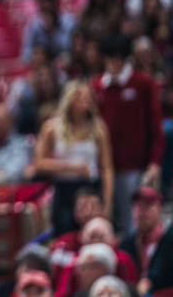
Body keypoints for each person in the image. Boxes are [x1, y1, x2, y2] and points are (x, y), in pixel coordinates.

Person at [92, 35, 163, 235]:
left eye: (117, 60)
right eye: (109, 60)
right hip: (104, 168)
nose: (113, 64)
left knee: (134, 223)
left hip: (135, 166)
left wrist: (155, 162)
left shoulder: (143, 83)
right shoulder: (97, 86)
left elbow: (155, 127)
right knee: (107, 221)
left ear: (125, 60)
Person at [33, 82, 114, 236]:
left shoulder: (98, 128)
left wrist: (108, 203)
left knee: (92, 233)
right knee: (65, 234)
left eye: (87, 97)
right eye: (79, 97)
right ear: (69, 100)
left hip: (90, 188)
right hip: (64, 189)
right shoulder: (51, 128)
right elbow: (40, 164)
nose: (84, 102)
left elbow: (108, 167)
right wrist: (72, 167)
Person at [119, 187, 173, 295]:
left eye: (147, 206)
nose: (141, 212)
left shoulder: (170, 239)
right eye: (137, 206)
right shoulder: (126, 244)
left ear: (160, 209)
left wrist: (149, 282)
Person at [48, 188, 106, 281]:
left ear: (103, 210)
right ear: (75, 212)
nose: (88, 212)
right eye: (82, 207)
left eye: (93, 206)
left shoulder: (112, 244)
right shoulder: (63, 245)